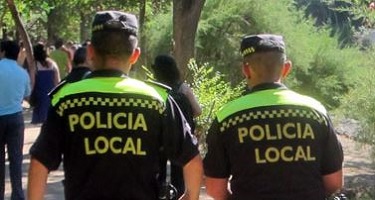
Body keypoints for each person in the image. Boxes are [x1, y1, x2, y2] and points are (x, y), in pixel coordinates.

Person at [27, 10, 203, 200]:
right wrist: (190, 196)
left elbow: (39, 163)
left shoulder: (66, 100)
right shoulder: (156, 100)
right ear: (135, 56)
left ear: (91, 53)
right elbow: (192, 159)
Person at [203, 34, 343, 200]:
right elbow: (334, 182)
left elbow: (214, 188)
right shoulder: (316, 112)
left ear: (246, 69)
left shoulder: (226, 118)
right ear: (286, 68)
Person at [151, 54, 202, 199]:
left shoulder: (156, 90)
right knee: (179, 175)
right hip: (181, 140)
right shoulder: (182, 88)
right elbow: (198, 111)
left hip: (160, 143)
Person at [0, 40, 30, 200]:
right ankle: (17, 194)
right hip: (16, 118)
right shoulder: (22, 73)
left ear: (3, 51)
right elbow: (26, 94)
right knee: (15, 159)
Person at [31, 43, 60, 124]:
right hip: (51, 94)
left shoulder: (34, 64)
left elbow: (32, 82)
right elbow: (57, 81)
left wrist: (30, 95)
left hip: (39, 95)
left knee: (39, 121)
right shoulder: (53, 63)